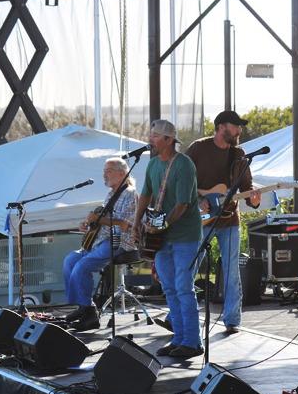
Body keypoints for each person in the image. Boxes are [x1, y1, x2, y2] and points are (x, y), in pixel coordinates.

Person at [185, 110, 261, 335]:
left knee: (231, 270)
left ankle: (232, 319)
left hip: (230, 219)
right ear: (220, 127)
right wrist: (199, 200)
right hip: (199, 219)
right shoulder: (199, 148)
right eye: (235, 126)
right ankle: (180, 315)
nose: (239, 131)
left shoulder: (239, 154)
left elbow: (246, 187)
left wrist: (254, 199)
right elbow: (182, 179)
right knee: (189, 267)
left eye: (239, 127)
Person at [133, 119, 203, 359]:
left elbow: (183, 204)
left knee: (184, 288)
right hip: (161, 238)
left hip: (185, 236)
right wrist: (136, 224)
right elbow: (145, 195)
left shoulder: (184, 165)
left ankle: (192, 342)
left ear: (169, 139)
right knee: (170, 288)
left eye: (155, 136)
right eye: (151, 135)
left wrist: (160, 226)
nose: (150, 139)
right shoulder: (153, 164)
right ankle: (179, 338)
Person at [63, 157, 138, 331]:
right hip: (100, 241)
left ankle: (89, 313)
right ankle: (84, 307)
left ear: (122, 173)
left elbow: (125, 224)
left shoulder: (130, 193)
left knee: (82, 266)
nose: (104, 174)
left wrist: (98, 219)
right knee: (69, 260)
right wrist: (89, 224)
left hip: (118, 242)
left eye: (109, 171)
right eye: (104, 171)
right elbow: (102, 220)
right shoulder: (111, 194)